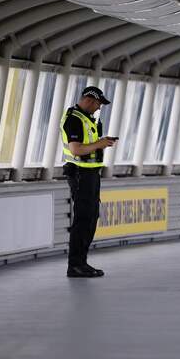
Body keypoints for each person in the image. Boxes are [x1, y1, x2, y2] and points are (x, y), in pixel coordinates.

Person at [61, 86, 117, 278]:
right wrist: (100, 144)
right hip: (79, 174)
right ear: (89, 100)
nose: (98, 108)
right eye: (98, 104)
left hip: (91, 174)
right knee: (83, 219)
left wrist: (102, 142)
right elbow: (76, 149)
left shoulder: (89, 120)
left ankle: (82, 262)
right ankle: (75, 265)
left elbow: (89, 145)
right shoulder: (73, 119)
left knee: (91, 218)